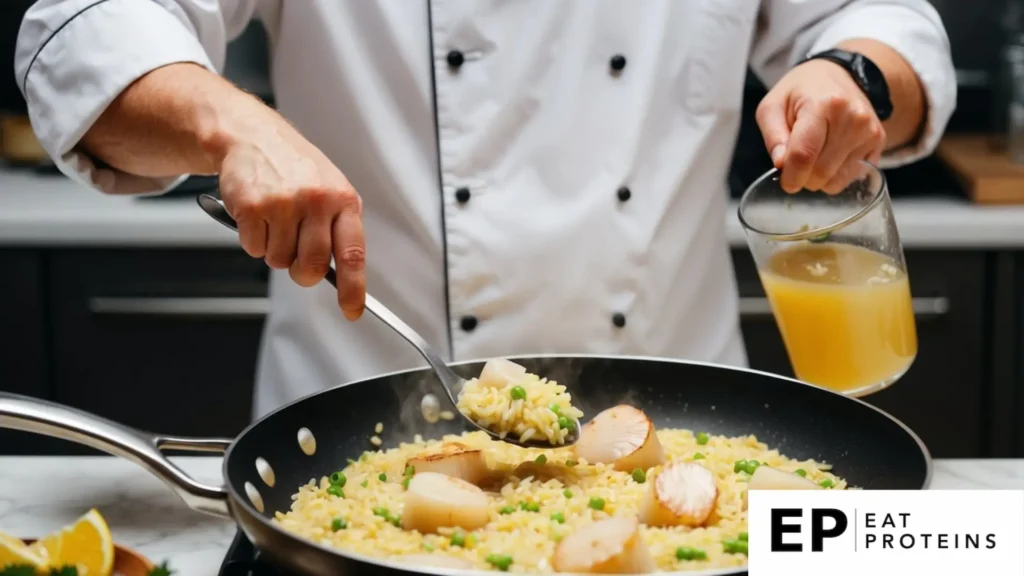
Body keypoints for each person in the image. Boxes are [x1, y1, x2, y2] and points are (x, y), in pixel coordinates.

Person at [15, 1, 955, 418]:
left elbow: (890, 24)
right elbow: (83, 31)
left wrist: (854, 75)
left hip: (685, 437)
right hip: (359, 450)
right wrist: (231, 128)